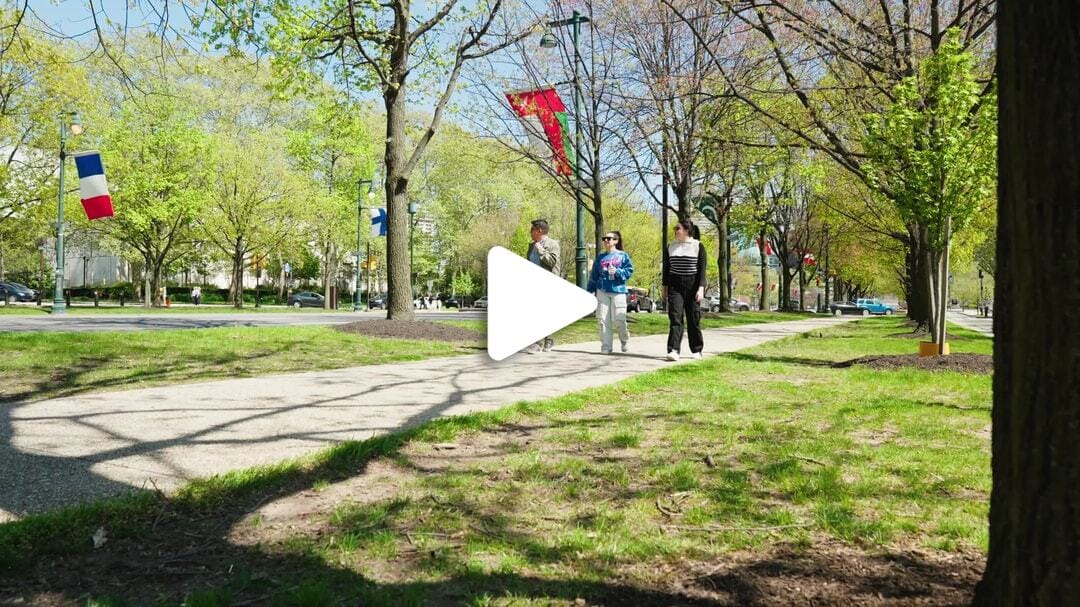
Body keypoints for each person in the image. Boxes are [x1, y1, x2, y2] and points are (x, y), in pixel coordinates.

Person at [663, 219, 707, 361]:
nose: (675, 231)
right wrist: (665, 288)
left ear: (687, 230)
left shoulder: (697, 245)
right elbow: (666, 270)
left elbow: (702, 270)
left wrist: (701, 288)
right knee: (675, 317)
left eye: (678, 228)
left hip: (692, 285)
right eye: (675, 228)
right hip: (675, 286)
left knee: (693, 318)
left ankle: (697, 349)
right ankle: (673, 350)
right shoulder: (671, 246)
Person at [587, 231, 634, 354]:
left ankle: (625, 340)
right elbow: (594, 276)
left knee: (619, 319)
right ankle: (606, 346)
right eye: (604, 238)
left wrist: (618, 271)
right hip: (602, 290)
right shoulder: (600, 258)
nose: (606, 241)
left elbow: (629, 272)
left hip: (618, 291)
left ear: (616, 241)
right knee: (603, 319)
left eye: (609, 238)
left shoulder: (623, 256)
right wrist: (590, 290)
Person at [525, 218, 561, 353]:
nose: (530, 232)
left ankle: (548, 339)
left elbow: (552, 262)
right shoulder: (531, 246)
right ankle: (537, 342)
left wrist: (541, 251)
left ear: (539, 230)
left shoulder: (553, 244)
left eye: (532, 230)